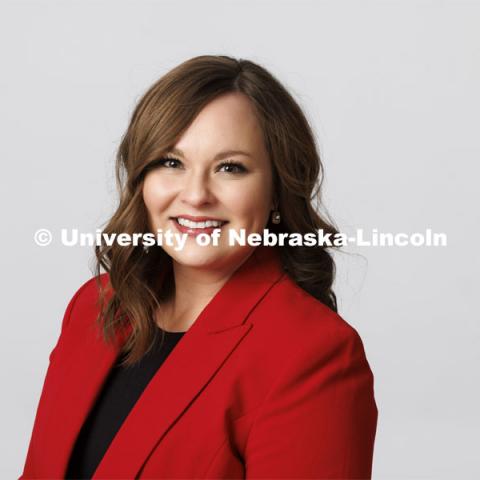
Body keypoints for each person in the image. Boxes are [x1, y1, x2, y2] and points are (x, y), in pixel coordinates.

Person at [20, 55, 378, 479]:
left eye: (231, 168)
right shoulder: (93, 307)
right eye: (171, 162)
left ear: (278, 191)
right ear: (141, 179)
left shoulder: (314, 354)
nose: (195, 195)